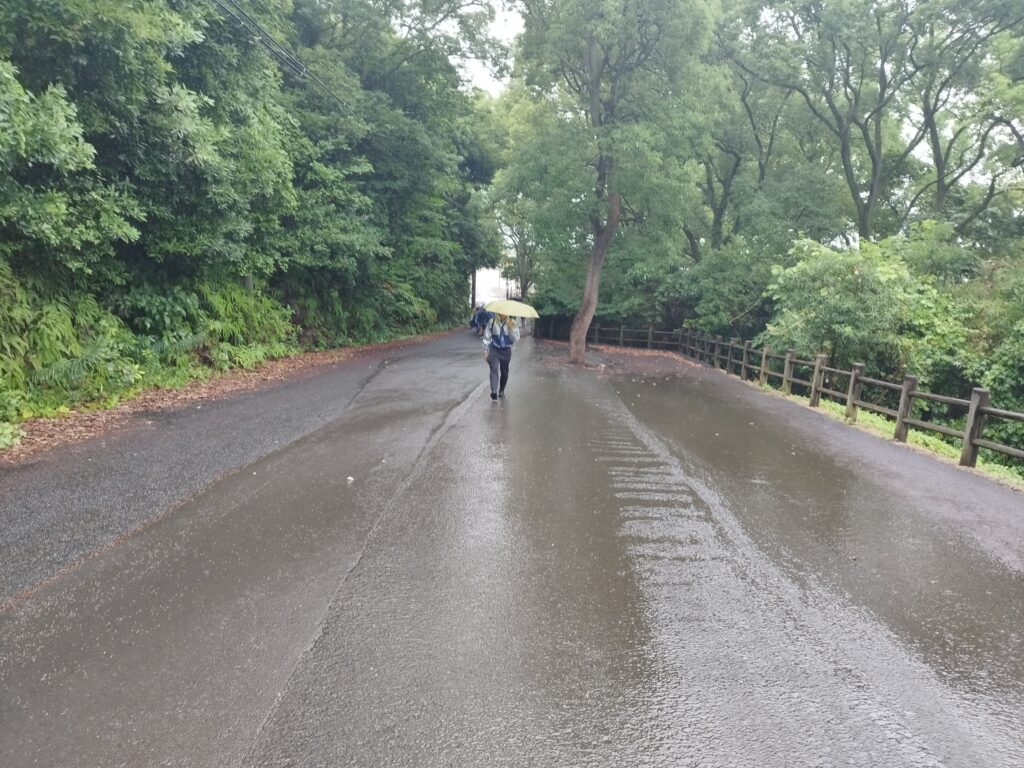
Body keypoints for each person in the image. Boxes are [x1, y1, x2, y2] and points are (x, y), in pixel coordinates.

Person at [482, 313, 520, 400]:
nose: (503, 313)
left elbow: (516, 338)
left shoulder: (512, 322)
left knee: (504, 371)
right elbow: (487, 337)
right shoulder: (492, 321)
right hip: (494, 349)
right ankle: (494, 391)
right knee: (494, 368)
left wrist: (511, 328)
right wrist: (485, 351)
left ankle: (501, 390)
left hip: (506, 350)